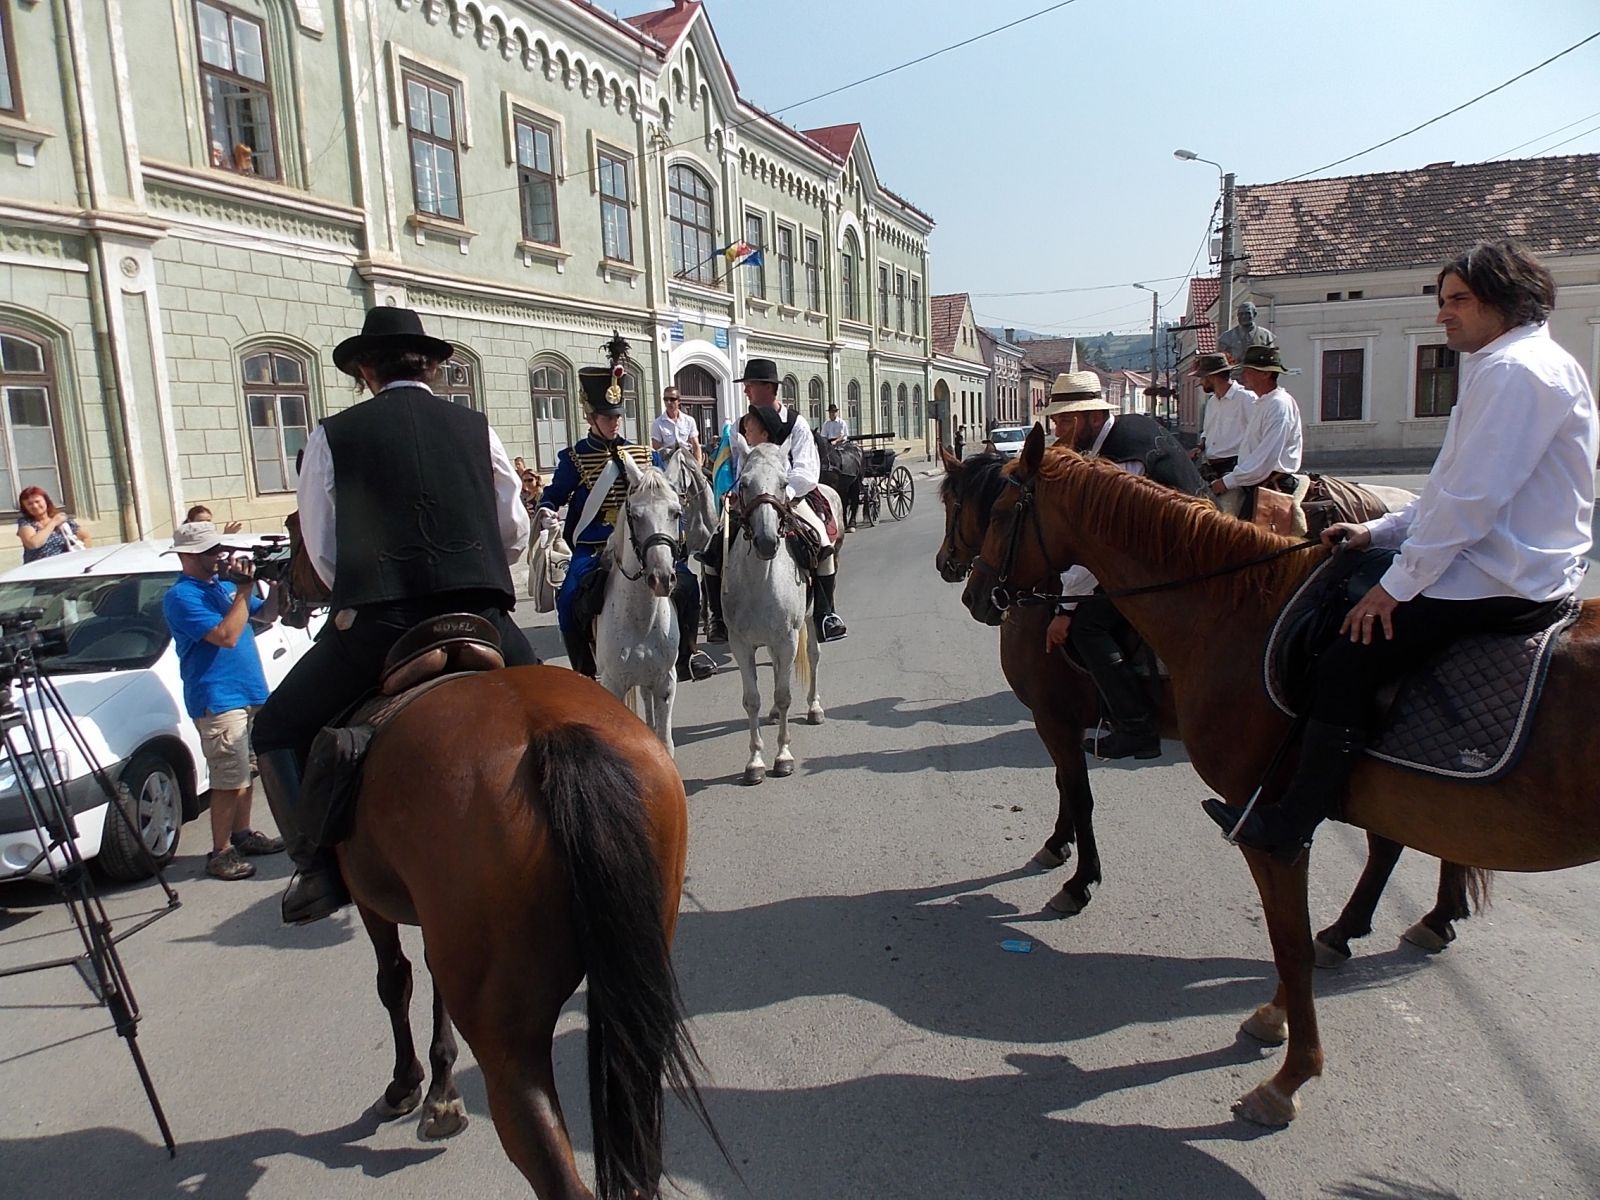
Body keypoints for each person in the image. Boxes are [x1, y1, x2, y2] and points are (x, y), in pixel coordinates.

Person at [1204, 241, 1598, 860]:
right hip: (1496, 561)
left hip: (1499, 579)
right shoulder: (1509, 363)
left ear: (1505, 298)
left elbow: (1470, 503)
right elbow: (1447, 490)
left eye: (1458, 301)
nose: (1443, 315)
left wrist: (1396, 586)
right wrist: (1377, 533)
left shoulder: (1515, 371)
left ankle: (1291, 825)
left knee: (1345, 657)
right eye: (1442, 301)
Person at [251, 306, 535, 925]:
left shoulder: (333, 434)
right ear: (431, 366)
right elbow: (513, 530)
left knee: (274, 728)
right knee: (560, 708)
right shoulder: (476, 426)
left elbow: (324, 558)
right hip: (482, 614)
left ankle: (315, 867)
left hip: (381, 629)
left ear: (364, 371)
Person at [1041, 372, 1208, 759]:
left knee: (1088, 626)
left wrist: (1066, 609)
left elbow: (1105, 545)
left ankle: (1136, 726)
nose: (1057, 429)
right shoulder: (1115, 441)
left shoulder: (1123, 460)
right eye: (1055, 420)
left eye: (1065, 420)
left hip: (1181, 560)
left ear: (1092, 419)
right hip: (1168, 548)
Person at [538, 339, 714, 684]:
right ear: (590, 417)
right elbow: (554, 494)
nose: (614, 423)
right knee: (570, 595)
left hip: (641, 543)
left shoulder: (642, 454)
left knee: (688, 584)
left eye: (618, 416)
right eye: (606, 417)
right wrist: (545, 511)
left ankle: (688, 655)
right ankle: (585, 671)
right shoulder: (574, 457)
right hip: (594, 545)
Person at [162, 522, 286, 880]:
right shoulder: (182, 597)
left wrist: (274, 581)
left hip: (249, 691)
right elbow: (227, 636)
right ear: (186, 556)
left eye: (219, 548)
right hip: (218, 698)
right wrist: (244, 590)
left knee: (246, 772)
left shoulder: (224, 585)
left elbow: (267, 615)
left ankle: (243, 834)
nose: (219, 556)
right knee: (228, 779)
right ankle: (220, 852)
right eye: (209, 552)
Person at [733, 357, 848, 642]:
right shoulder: (742, 425)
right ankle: (720, 617)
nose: (746, 390)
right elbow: (740, 466)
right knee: (717, 542)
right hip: (754, 497)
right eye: (745, 386)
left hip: (793, 495)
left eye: (750, 385)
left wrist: (782, 495)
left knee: (821, 539)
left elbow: (808, 470)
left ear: (769, 388)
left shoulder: (796, 422)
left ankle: (825, 613)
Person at [1209, 346, 1303, 520]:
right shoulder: (1263, 402)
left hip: (1270, 484)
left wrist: (1226, 482)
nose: (1242, 376)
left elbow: (1264, 459)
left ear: (1265, 374)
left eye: (1248, 371)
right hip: (1253, 479)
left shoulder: (1278, 405)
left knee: (1248, 542)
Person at [1190, 353, 1255, 484]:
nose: (1201, 382)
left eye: (1201, 378)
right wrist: (1200, 447)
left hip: (1235, 467)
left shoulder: (1246, 398)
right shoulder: (1212, 402)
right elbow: (1207, 432)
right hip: (1211, 467)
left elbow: (1258, 435)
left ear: (1212, 377)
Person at [16, 487, 91, 562]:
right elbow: (33, 544)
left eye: (37, 501)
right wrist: (53, 522)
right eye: (29, 504)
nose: (35, 506)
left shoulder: (62, 519)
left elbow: (86, 537)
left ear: (46, 501)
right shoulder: (26, 522)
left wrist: (83, 559)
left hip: (64, 567)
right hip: (39, 569)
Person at [651, 386, 701, 461]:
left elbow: (695, 445)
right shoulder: (657, 423)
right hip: (668, 461)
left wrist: (699, 464)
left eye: (672, 399)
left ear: (679, 401)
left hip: (687, 458)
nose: (668, 402)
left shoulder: (689, 420)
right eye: (666, 399)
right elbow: (657, 449)